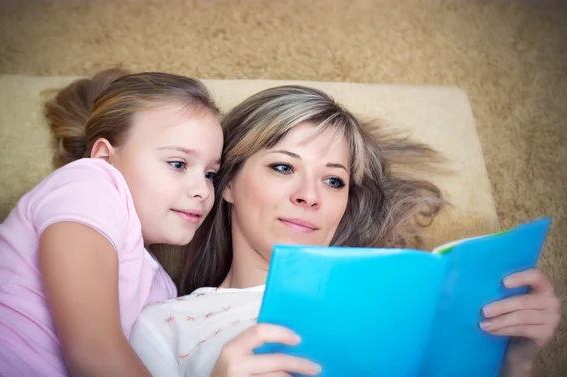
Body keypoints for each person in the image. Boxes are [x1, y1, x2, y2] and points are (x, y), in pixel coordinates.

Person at [129, 85, 561, 377]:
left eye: (334, 180)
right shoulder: (167, 324)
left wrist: (515, 361)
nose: (310, 195)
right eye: (283, 167)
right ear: (228, 185)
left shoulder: (399, 299)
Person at [0, 68, 224, 377]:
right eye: (178, 163)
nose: (202, 190)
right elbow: (94, 353)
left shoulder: (162, 288)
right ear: (104, 158)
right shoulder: (89, 184)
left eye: (210, 173)